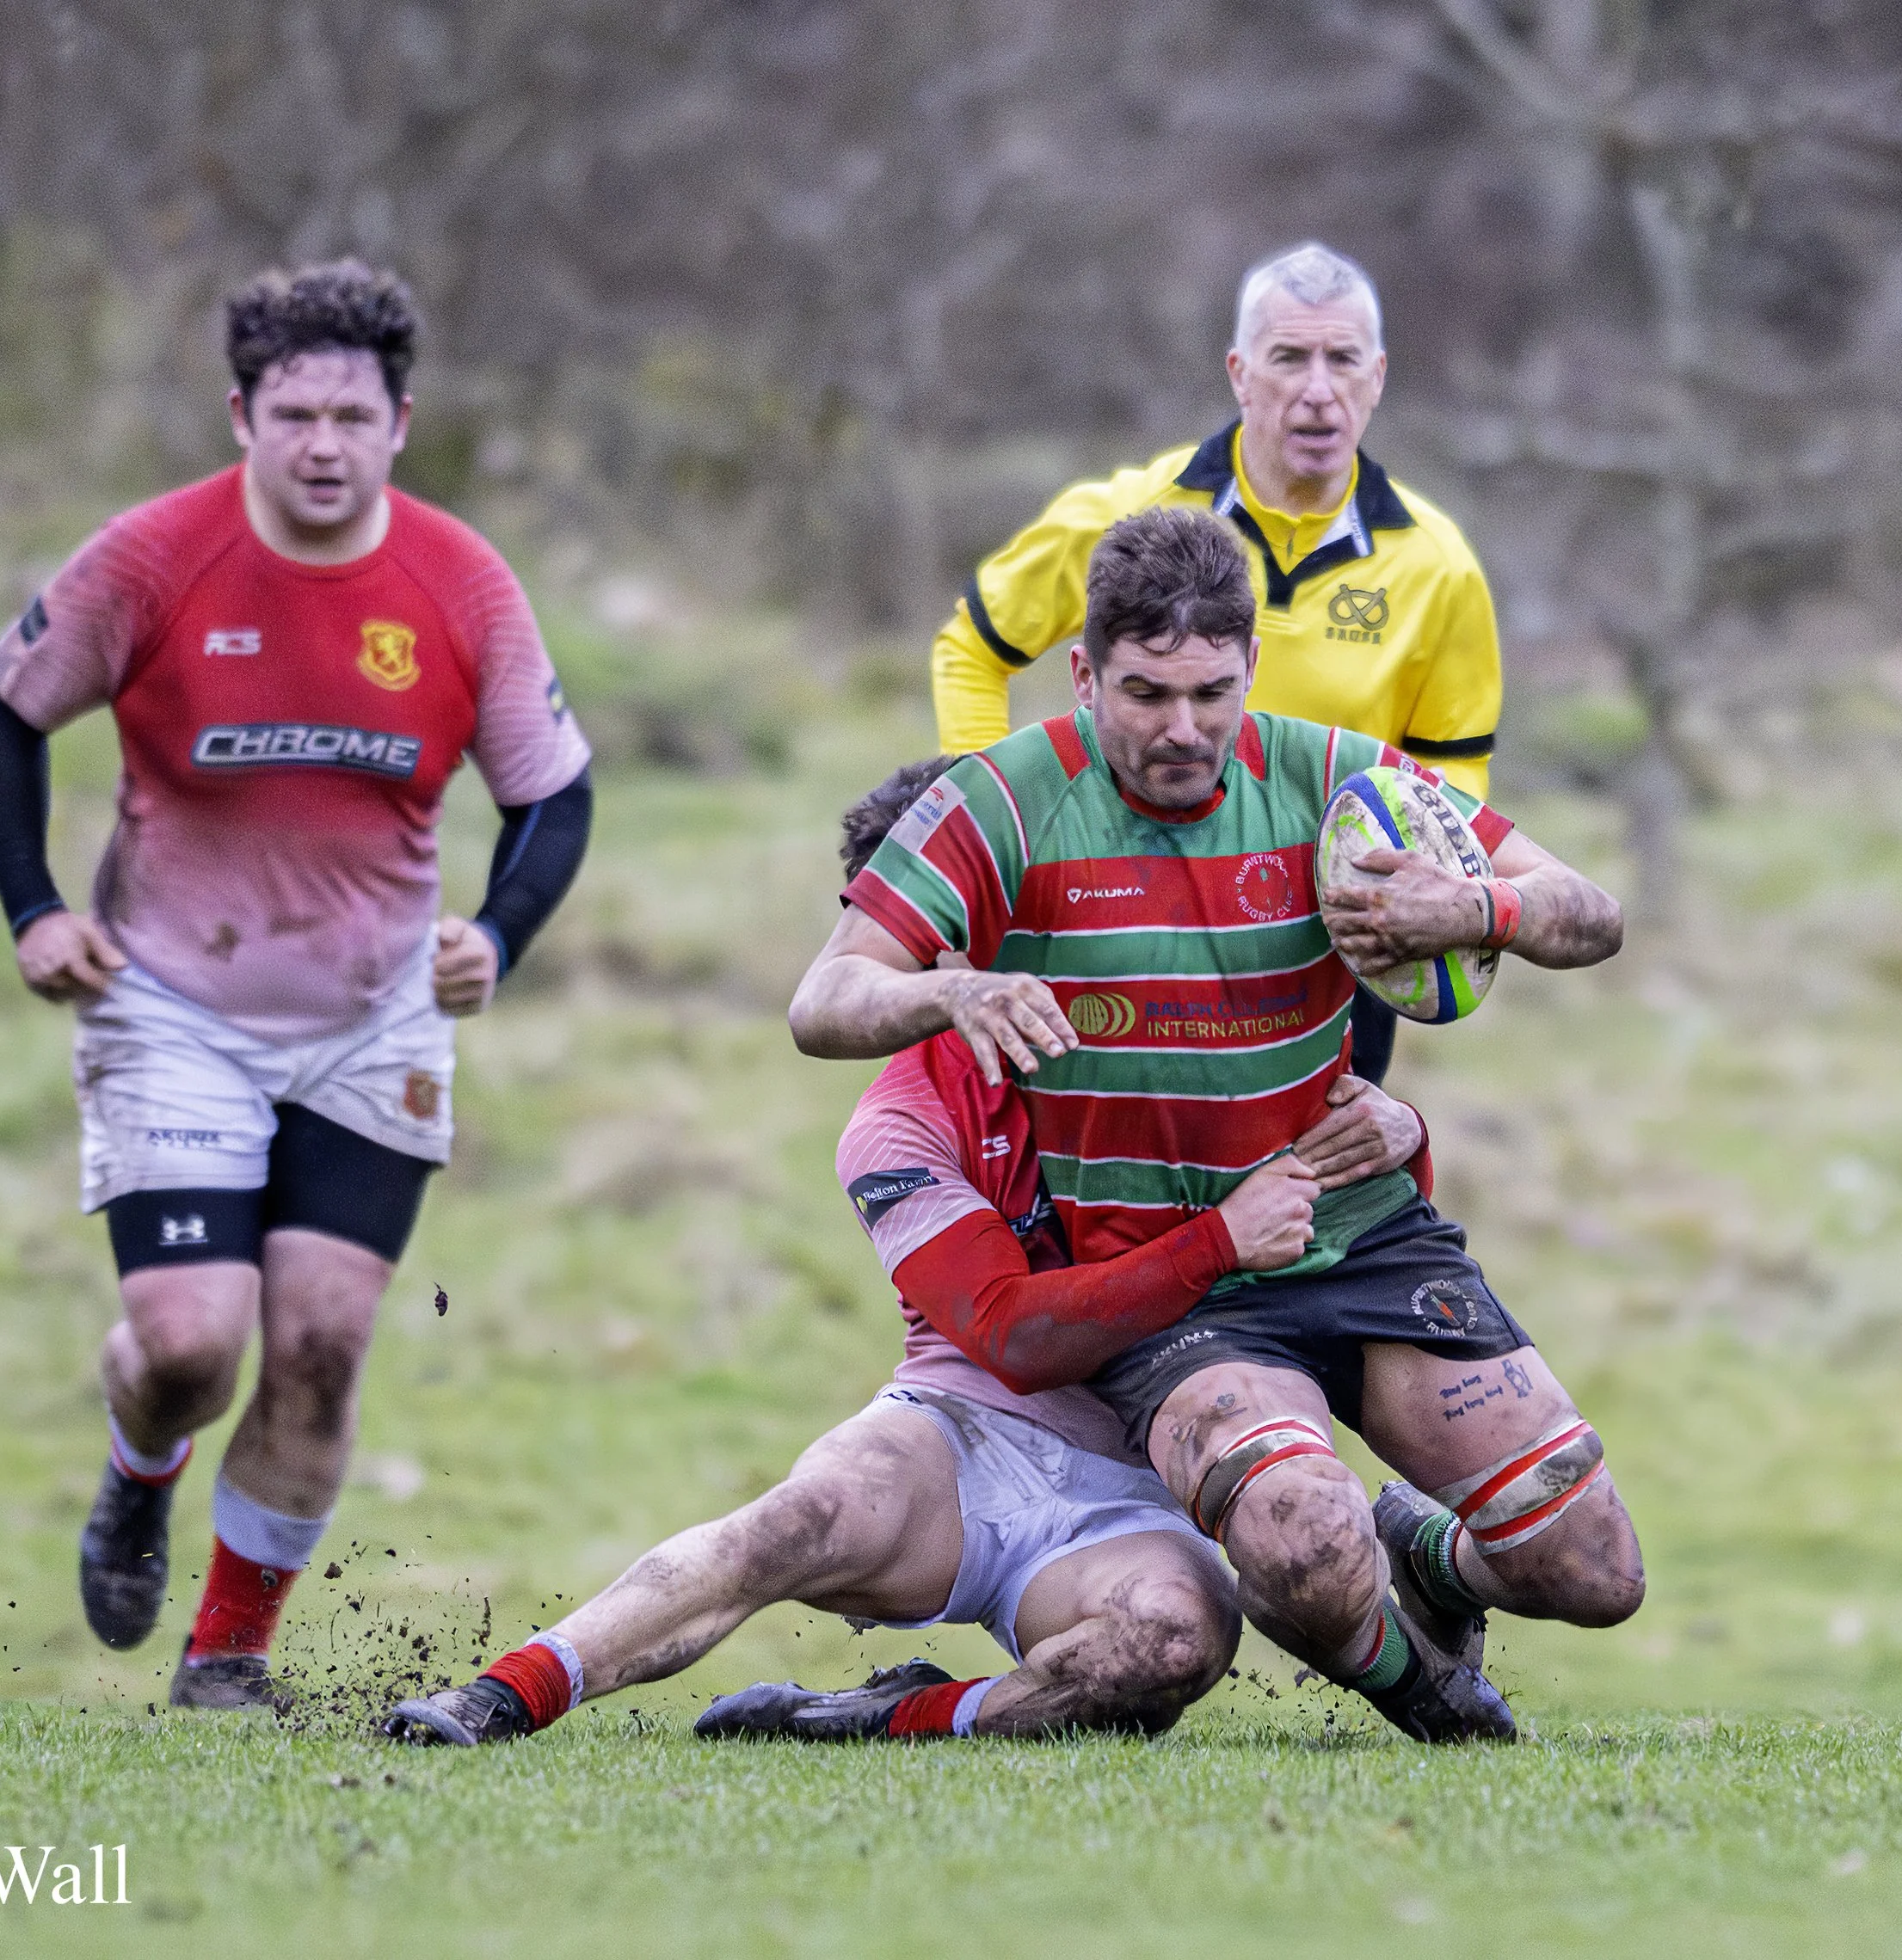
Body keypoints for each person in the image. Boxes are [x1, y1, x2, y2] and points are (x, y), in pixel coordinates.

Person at [793, 506, 1643, 1743]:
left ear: (1251, 665)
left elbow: (1592, 909)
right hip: (1183, 1286)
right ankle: (1430, 1698)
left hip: (1358, 1236)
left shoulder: (1331, 776)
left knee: (1595, 1569)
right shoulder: (1003, 804)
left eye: (1211, 691)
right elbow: (825, 998)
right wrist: (952, 988)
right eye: (1145, 694)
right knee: (1303, 1541)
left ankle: (1434, 1553)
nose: (1183, 728)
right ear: (1084, 673)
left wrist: (1476, 907)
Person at [382, 761, 1427, 1748]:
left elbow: (1353, 1237)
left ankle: (879, 1717)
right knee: (795, 1520)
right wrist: (1215, 1239)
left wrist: (1396, 1134)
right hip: (960, 1433)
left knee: (1165, 1648)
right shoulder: (897, 1125)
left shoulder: (1188, 1037)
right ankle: (499, 1695)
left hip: (1140, 1484)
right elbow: (1014, 1336)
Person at [0, 261, 594, 1707]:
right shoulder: (148, 559)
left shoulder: (460, 581)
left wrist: (494, 934)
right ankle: (139, 1468)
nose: (322, 443)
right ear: (240, 413)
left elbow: (555, 793)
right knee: (191, 1344)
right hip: (171, 1001)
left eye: (350, 415)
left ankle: (227, 1658)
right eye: (293, 412)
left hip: (375, 1017)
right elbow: (2, 711)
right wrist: (31, 906)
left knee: (319, 1340)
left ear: (400, 422)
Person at [929, 240, 1505, 1082]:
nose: (1317, 390)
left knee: (1313, 1205)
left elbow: (1452, 780)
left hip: (1326, 955)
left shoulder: (1438, 566)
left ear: (1376, 377)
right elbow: (970, 650)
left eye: (1341, 359)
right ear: (1240, 372)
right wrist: (984, 851)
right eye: (1288, 358)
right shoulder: (1132, 512)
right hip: (1123, 929)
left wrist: (1423, 892)